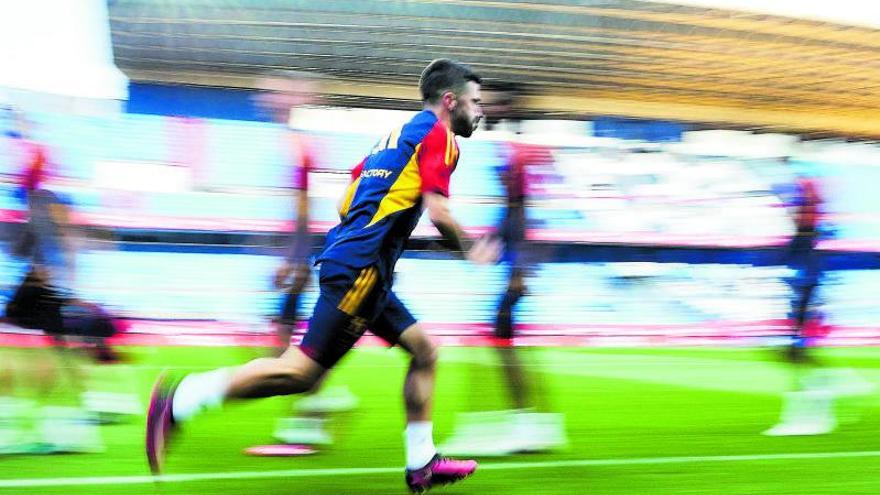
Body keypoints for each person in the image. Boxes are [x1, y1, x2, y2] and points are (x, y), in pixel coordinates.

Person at [146, 59, 495, 493]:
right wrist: (471, 247)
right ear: (450, 100)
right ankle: (179, 401)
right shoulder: (441, 138)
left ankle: (421, 461)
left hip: (360, 265)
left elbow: (345, 204)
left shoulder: (392, 139)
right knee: (301, 373)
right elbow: (439, 212)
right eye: (476, 102)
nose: (481, 112)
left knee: (424, 351)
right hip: (362, 270)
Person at [441, 83, 565, 456]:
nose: (481, 110)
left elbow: (525, 212)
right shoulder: (507, 150)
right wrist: (489, 241)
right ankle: (535, 424)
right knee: (502, 342)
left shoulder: (519, 152)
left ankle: (525, 424)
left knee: (501, 341)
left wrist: (520, 267)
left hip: (519, 263)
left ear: (510, 108)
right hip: (513, 259)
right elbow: (512, 212)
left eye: (487, 104)